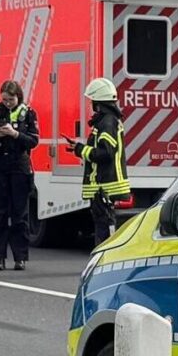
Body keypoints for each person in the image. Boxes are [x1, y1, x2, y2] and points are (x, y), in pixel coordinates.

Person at [0, 80, 39, 271]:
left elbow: (33, 141)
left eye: (10, 99)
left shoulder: (28, 113)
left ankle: (20, 257)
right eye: (4, 99)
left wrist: (14, 134)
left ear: (17, 96)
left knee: (20, 214)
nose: (7, 103)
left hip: (19, 166)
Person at [66, 78, 129, 246]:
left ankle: (106, 259)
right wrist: (78, 148)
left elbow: (105, 153)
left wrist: (81, 150)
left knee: (105, 227)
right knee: (103, 224)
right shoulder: (108, 120)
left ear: (98, 102)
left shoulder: (107, 122)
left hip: (105, 184)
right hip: (104, 185)